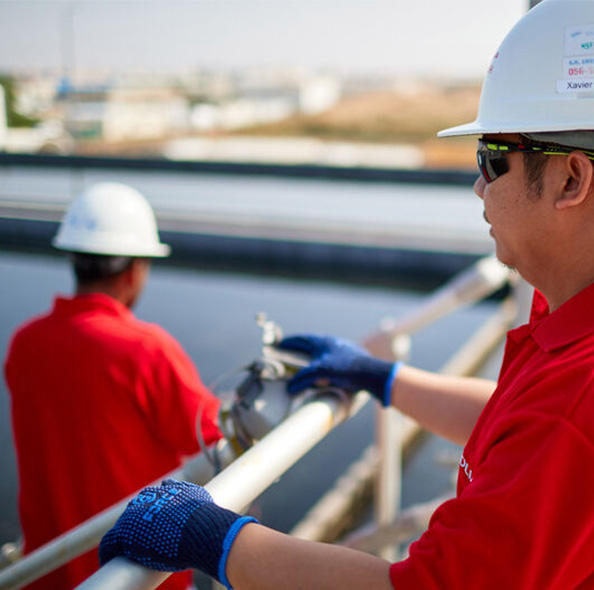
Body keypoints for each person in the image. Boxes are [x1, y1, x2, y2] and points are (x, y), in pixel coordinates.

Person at [97, 0, 594, 588]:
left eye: (492, 157)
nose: (478, 184)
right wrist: (382, 378)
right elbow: (518, 434)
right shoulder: (567, 321)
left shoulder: (577, 394)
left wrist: (214, 538)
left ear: (571, 179)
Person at [3, 182, 222, 590]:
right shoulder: (145, 349)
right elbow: (212, 435)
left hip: (49, 576)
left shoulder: (25, 343)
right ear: (136, 268)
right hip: (139, 579)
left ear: (74, 258)